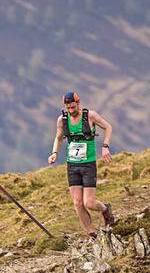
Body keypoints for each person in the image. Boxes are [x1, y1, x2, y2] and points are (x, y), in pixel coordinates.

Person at [48, 91, 115, 239]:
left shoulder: (90, 116)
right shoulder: (62, 120)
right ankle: (91, 233)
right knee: (78, 203)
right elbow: (58, 138)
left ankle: (105, 210)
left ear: (78, 103)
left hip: (88, 165)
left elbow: (108, 127)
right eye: (68, 108)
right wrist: (55, 153)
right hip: (72, 165)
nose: (71, 111)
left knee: (89, 203)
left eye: (73, 107)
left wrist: (105, 146)